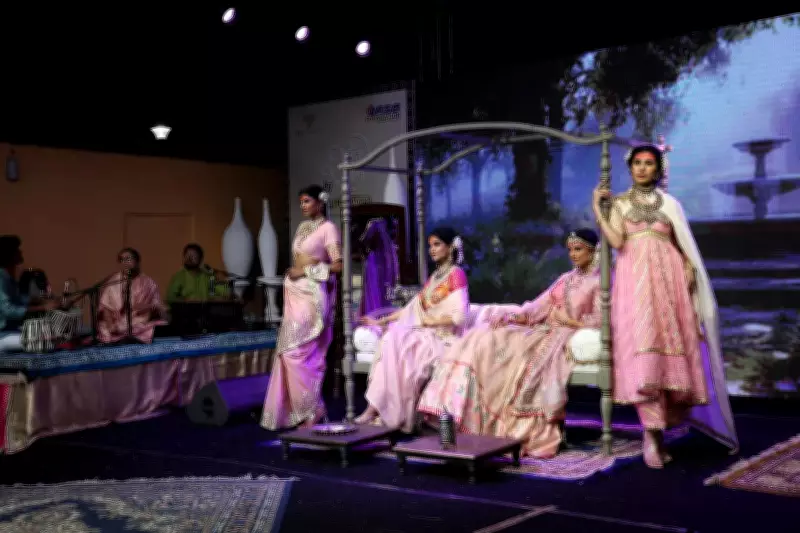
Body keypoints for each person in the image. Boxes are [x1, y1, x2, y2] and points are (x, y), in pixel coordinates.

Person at [592, 144, 738, 468]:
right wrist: (598, 209)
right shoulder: (619, 203)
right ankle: (651, 434)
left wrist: (687, 266)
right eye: (638, 163)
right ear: (630, 168)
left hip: (669, 285)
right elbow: (617, 241)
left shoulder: (670, 204)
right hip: (635, 285)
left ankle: (659, 432)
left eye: (649, 163)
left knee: (669, 354)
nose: (643, 168)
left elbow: (681, 244)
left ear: (658, 170)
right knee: (644, 353)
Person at [417, 228, 601, 458]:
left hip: (561, 333)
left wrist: (569, 321)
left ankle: (512, 425)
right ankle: (462, 415)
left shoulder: (600, 282)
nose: (573, 254)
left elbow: (601, 320)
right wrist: (512, 316)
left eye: (578, 249)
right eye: (570, 250)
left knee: (519, 355)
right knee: (485, 336)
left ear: (592, 251)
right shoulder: (566, 278)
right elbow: (538, 306)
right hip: (542, 328)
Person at [355, 227, 469, 433]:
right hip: (426, 333)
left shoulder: (456, 275)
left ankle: (384, 411)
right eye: (430, 245)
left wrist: (428, 321)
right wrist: (382, 321)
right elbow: (412, 308)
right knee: (392, 338)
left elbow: (460, 317)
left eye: (437, 245)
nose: (432, 250)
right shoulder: (435, 277)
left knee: (399, 341)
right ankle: (375, 408)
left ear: (450, 247)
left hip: (444, 337)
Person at [261, 185, 342, 430]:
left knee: (298, 354)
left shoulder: (329, 228)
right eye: (301, 202)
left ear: (320, 202)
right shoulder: (302, 227)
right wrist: (294, 273)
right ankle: (305, 412)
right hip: (295, 295)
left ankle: (312, 409)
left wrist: (304, 271)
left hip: (312, 296)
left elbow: (338, 266)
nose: (302, 206)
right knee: (287, 353)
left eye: (307, 201)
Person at [0, 236, 59, 351]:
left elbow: (17, 300)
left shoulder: (7, 276)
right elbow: (8, 310)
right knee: (47, 341)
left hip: (12, 330)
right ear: (9, 254)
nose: (20, 252)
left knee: (55, 334)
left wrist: (41, 300)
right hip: (3, 334)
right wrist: (43, 307)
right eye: (17, 250)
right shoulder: (1, 278)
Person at [97, 248, 167, 344]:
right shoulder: (113, 282)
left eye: (128, 259)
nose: (125, 262)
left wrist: (147, 307)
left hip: (140, 322)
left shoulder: (148, 282)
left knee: (159, 325)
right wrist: (110, 326)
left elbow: (157, 306)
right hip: (117, 324)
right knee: (104, 329)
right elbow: (106, 307)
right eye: (122, 260)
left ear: (137, 262)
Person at [358, 218, 399, 316]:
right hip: (384, 260)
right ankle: (380, 315)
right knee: (382, 289)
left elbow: (364, 241)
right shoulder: (390, 223)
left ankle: (376, 315)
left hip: (377, 261)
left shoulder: (375, 224)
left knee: (377, 289)